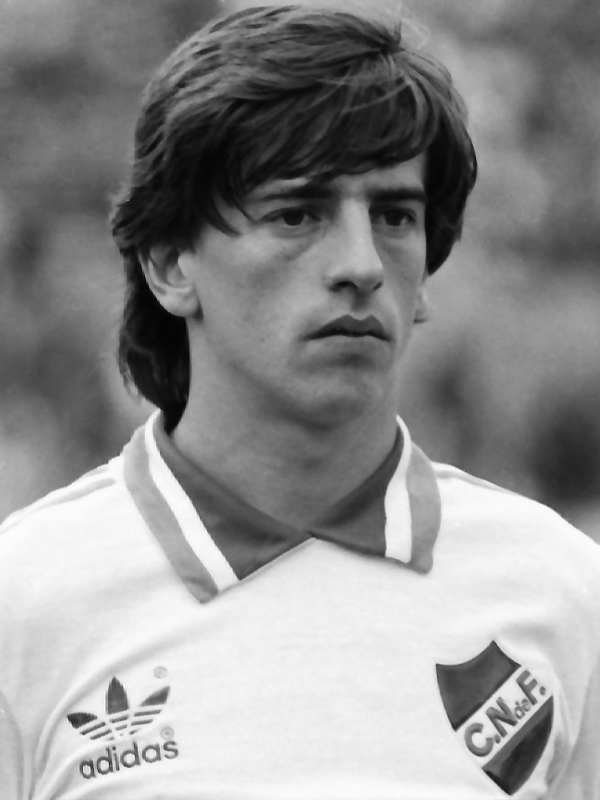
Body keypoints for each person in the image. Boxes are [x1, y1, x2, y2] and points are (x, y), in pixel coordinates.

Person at [1, 5, 599, 799]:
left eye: (395, 216)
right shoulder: (24, 603)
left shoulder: (564, 593)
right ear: (171, 264)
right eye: (296, 214)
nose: (362, 264)